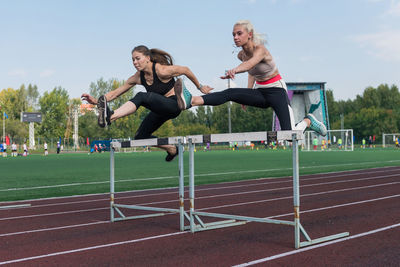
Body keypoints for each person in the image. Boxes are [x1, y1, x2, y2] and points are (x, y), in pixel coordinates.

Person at [184, 20, 327, 137]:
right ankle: (194, 100)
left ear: (249, 35)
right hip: (260, 92)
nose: (235, 37)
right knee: (230, 93)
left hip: (277, 91)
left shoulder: (261, 50)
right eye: (233, 34)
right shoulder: (240, 55)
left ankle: (308, 121)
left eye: (239, 33)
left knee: (290, 136)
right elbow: (251, 71)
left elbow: (250, 64)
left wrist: (235, 70)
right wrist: (247, 93)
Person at [81, 45, 212, 161]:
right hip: (159, 109)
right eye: (132, 60)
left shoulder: (161, 70)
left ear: (148, 58)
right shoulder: (138, 77)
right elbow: (115, 93)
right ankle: (173, 149)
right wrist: (96, 101)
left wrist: (200, 87)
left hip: (173, 105)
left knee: (142, 97)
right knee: (139, 137)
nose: (134, 62)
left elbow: (185, 70)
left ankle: (110, 116)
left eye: (137, 58)